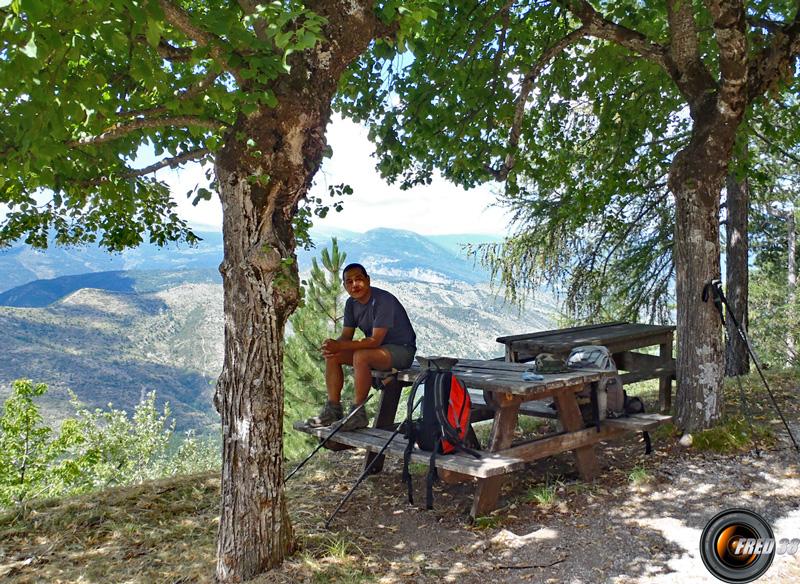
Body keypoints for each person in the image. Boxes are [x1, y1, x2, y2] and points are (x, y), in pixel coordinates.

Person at [308, 262, 417, 430]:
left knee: (361, 356)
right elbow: (346, 337)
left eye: (358, 279)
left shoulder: (383, 300)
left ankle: (357, 414)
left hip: (401, 350)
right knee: (333, 355)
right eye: (349, 281)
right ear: (344, 286)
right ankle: (333, 410)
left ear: (368, 280)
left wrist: (340, 345)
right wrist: (333, 346)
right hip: (378, 351)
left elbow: (375, 341)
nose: (354, 285)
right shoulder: (351, 304)